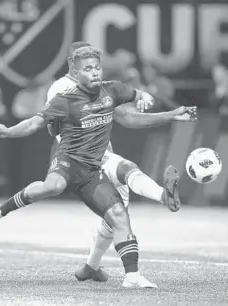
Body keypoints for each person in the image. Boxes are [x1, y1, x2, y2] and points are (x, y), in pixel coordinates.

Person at [0, 45, 196, 289]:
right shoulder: (63, 96)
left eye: (97, 67)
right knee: (55, 186)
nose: (95, 72)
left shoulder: (112, 89)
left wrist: (160, 106)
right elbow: (37, 124)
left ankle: (130, 276)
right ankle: (0, 210)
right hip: (69, 160)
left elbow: (134, 102)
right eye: (88, 68)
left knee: (118, 216)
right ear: (75, 72)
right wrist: (7, 132)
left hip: (94, 168)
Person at [44, 43, 196, 282]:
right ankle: (163, 197)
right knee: (127, 169)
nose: (93, 67)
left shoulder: (98, 87)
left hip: (101, 152)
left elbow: (127, 118)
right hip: (79, 158)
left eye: (95, 63)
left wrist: (171, 115)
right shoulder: (61, 89)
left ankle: (90, 267)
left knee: (117, 214)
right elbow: (53, 126)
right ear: (73, 65)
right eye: (86, 62)